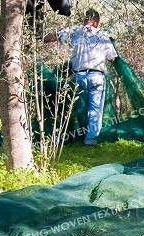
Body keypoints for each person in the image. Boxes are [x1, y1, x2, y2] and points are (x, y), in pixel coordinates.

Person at [44, 9, 117, 145]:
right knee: (95, 110)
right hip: (97, 76)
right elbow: (112, 58)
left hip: (80, 76)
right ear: (96, 22)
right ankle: (90, 141)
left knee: (79, 107)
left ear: (85, 20)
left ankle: (74, 136)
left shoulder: (76, 31)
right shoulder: (103, 36)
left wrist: (37, 38)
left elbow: (52, 37)